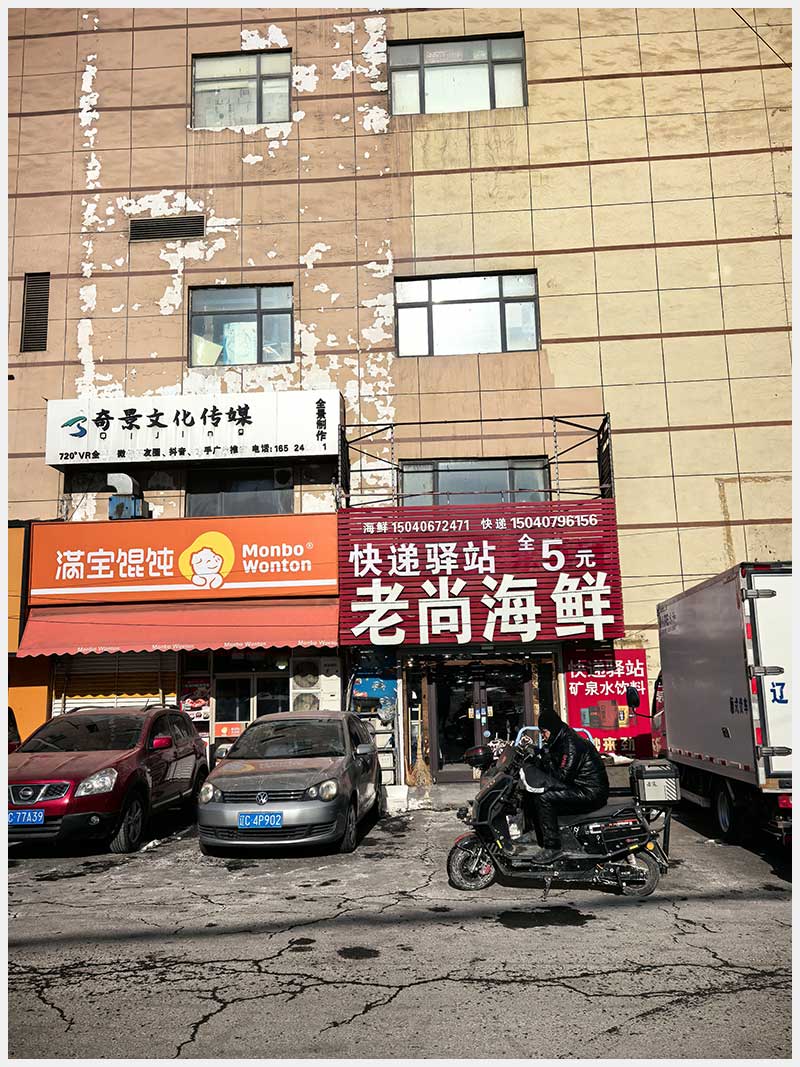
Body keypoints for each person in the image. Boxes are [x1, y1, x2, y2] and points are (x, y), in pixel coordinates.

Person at [517, 706, 609, 862]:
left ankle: (553, 847)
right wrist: (536, 755)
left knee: (544, 797)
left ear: (553, 729)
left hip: (589, 792)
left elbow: (562, 777)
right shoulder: (557, 740)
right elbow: (551, 761)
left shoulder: (571, 745)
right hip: (576, 786)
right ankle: (535, 833)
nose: (543, 736)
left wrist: (543, 761)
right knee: (530, 791)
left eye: (544, 732)